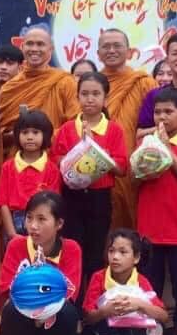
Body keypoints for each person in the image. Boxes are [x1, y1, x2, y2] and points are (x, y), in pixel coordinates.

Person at [134, 87, 177, 335]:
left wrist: (166, 150)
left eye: (168, 112)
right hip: (149, 227)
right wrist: (151, 148)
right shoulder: (145, 143)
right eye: (157, 112)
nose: (161, 117)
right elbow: (136, 177)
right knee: (150, 287)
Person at [50, 71, 130, 286]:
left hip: (99, 197)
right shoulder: (67, 128)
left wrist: (98, 154)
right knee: (71, 247)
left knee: (96, 251)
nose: (90, 99)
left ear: (105, 98)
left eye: (96, 94)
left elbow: (122, 167)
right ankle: (73, 296)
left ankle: (92, 296)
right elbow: (55, 158)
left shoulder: (113, 130)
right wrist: (74, 155)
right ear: (77, 97)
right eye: (84, 94)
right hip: (71, 196)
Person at [0, 191, 84, 335]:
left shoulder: (71, 248)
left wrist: (45, 309)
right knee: (10, 308)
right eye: (29, 218)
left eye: (41, 219)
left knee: (68, 311)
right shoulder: (16, 245)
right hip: (22, 321)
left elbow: (70, 292)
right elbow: (6, 288)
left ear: (59, 224)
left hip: (54, 321)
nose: (33, 226)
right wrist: (33, 308)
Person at [0, 27, 79, 205]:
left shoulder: (65, 82)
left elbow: (74, 126)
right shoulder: (10, 88)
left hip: (52, 164)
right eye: (30, 44)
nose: (34, 49)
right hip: (17, 166)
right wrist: (14, 136)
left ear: (51, 49)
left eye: (40, 44)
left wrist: (43, 138)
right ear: (22, 47)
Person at [81, 228, 167, 335]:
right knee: (108, 315)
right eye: (111, 251)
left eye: (123, 252)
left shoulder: (141, 281)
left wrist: (139, 304)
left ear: (136, 258)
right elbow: (87, 317)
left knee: (138, 318)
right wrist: (105, 311)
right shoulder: (99, 278)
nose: (115, 257)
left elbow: (163, 316)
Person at [95, 29, 155, 230]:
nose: (111, 50)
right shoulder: (91, 85)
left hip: (133, 168)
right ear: (98, 53)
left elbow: (156, 122)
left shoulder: (143, 82)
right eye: (106, 46)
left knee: (132, 222)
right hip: (97, 168)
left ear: (129, 51)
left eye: (117, 46)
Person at [0, 110, 61, 241]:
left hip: (42, 223)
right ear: (17, 135)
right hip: (14, 222)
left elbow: (53, 205)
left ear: (46, 135)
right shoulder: (8, 167)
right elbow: (3, 203)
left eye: (35, 132)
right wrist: (12, 234)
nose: (30, 137)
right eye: (25, 132)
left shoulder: (52, 169)